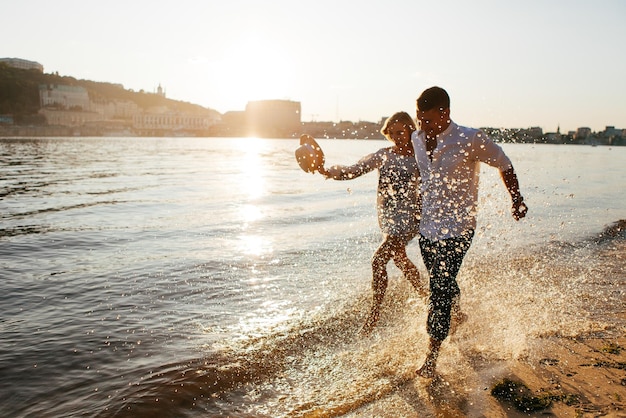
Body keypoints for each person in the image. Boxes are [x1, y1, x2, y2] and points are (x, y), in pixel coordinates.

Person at [411, 86, 528, 378]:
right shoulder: (416, 138)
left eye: (426, 119)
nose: (421, 125)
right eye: (418, 118)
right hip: (427, 228)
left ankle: (431, 358)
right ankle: (458, 314)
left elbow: (505, 163)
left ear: (444, 113)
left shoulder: (469, 138)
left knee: (439, 287)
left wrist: (516, 198)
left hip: (459, 229)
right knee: (443, 281)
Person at [320, 111, 428, 334]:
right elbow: (353, 171)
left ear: (410, 130)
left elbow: (432, 184)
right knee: (400, 260)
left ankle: (374, 315)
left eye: (402, 132)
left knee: (378, 261)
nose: (397, 136)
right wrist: (327, 171)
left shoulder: (420, 157)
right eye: (393, 133)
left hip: (409, 218)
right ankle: (432, 301)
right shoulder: (384, 155)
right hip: (388, 218)